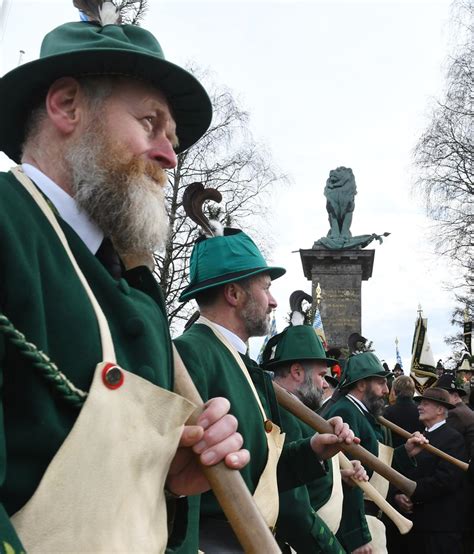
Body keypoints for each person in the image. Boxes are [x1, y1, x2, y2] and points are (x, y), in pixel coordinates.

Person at [0, 12, 250, 553]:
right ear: (67, 106)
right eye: (150, 123)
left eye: (172, 137)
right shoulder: (7, 225)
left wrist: (164, 476)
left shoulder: (134, 289)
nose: (168, 153)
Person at [174, 227, 359, 553]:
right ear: (234, 294)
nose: (273, 301)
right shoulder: (191, 354)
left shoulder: (240, 362)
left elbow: (261, 475)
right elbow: (179, 479)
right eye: (265, 289)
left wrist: (314, 449)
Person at [263, 324, 368, 553]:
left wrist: (340, 477)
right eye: (321, 375)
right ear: (297, 372)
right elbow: (291, 503)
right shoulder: (283, 416)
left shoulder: (302, 414)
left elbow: (304, 480)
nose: (324, 383)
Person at [324, 351, 426, 554]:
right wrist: (357, 536)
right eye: (381, 383)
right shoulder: (346, 413)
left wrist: (406, 451)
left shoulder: (361, 413)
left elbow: (372, 465)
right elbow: (350, 479)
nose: (387, 390)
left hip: (367, 519)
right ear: (362, 384)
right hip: (353, 522)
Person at [394, 388, 469, 554]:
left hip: (441, 528)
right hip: (415, 525)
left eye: (425, 404)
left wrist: (412, 493)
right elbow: (406, 471)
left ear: (441, 409)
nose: (420, 407)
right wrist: (398, 494)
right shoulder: (418, 437)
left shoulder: (453, 439)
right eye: (420, 403)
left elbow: (446, 480)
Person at [436, 372, 474, 459]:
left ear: (455, 396)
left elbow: (443, 439)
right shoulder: (462, 409)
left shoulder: (454, 413)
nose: (439, 399)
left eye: (443, 395)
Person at [383, 376, 424, 448]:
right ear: (413, 391)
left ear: (394, 391)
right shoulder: (422, 411)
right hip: (418, 453)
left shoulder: (386, 412)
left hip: (393, 453)